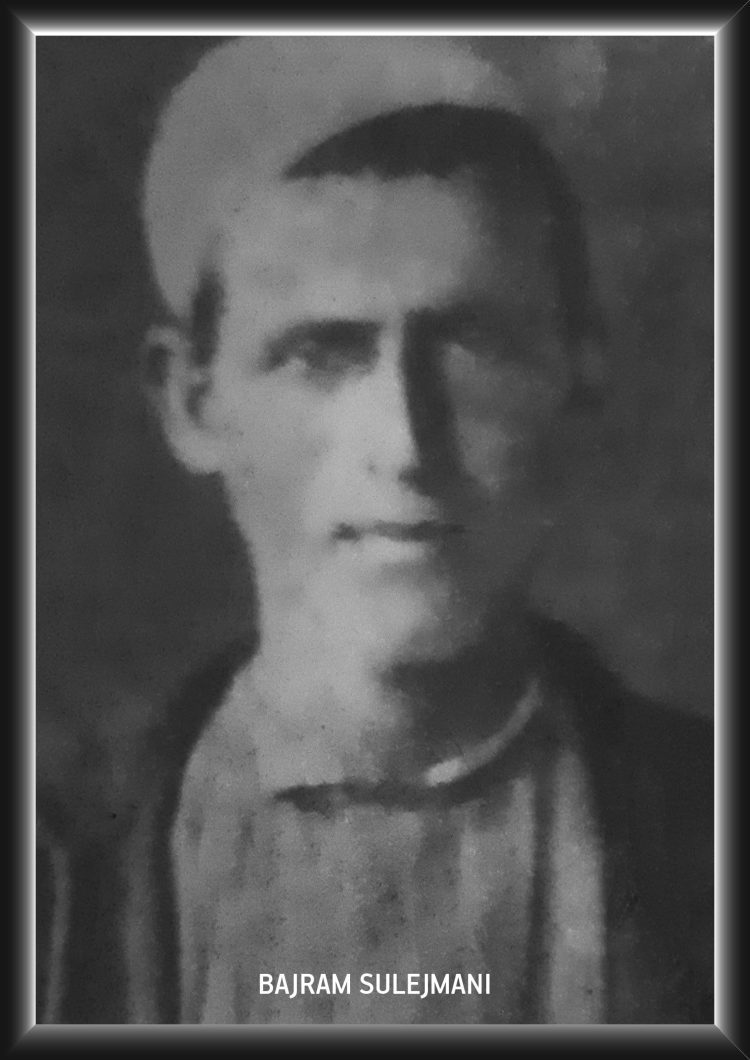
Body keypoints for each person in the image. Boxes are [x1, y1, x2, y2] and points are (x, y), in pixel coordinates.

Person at [127, 37, 712, 1024]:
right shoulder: (59, 869)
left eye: (471, 344)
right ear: (191, 401)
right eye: (322, 352)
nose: (405, 443)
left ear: (581, 370)